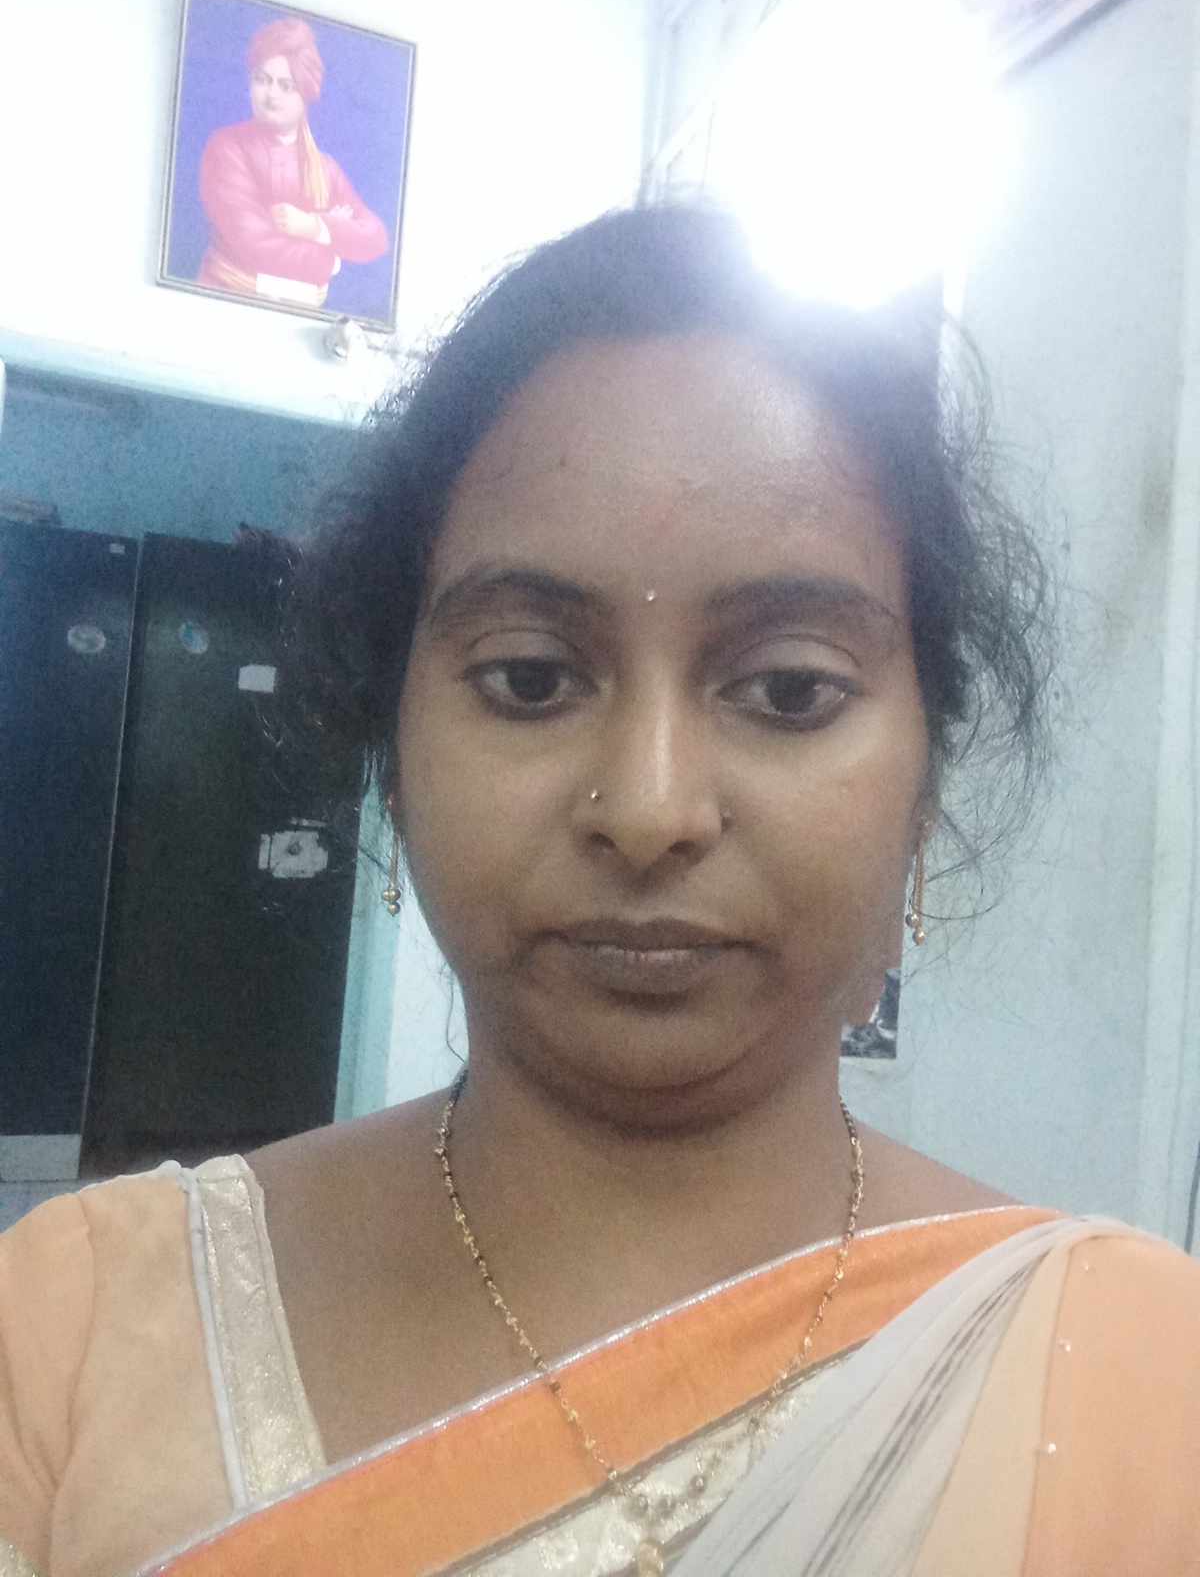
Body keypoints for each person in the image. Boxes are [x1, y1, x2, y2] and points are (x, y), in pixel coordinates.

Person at [1, 206, 1197, 1577]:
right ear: (392, 744)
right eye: (530, 679)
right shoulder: (80, 1332)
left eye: (789, 690)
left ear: (925, 777)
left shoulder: (1142, 1385)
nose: (648, 808)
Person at [196, 16, 388, 311]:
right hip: (225, 306)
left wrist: (314, 226)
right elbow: (256, 247)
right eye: (262, 80)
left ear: (306, 93)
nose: (271, 94)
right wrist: (332, 259)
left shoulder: (324, 169)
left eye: (286, 86)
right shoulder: (226, 148)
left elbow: (374, 237)